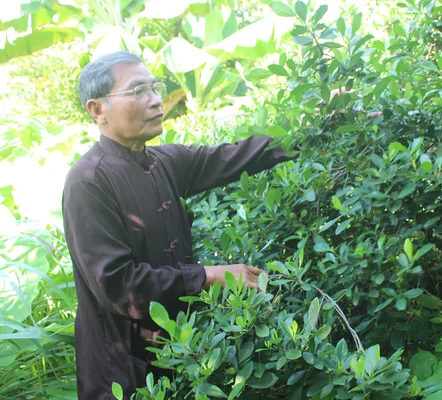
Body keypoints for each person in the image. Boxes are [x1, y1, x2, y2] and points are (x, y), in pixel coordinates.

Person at [62, 51, 292, 399]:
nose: (156, 101)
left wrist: (316, 128)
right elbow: (118, 287)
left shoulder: (163, 161)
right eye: (138, 91)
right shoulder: (89, 181)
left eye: (155, 88)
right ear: (98, 110)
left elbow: (237, 156)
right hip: (122, 374)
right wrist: (209, 275)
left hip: (179, 355)